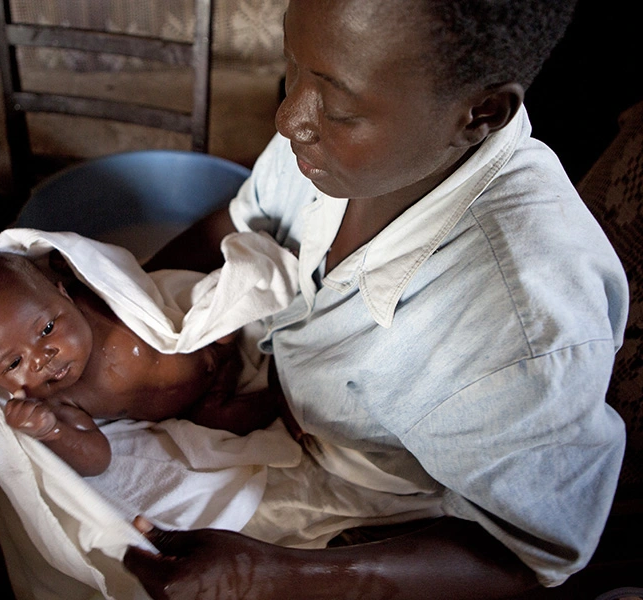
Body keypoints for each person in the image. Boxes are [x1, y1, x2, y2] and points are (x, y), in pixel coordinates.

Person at [122, 0, 630, 598]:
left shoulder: (519, 329)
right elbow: (236, 227)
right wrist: (109, 299)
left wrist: (272, 575)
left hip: (376, 520)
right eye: (291, 65)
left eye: (339, 109)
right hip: (265, 395)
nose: (288, 118)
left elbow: (520, 556)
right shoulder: (331, 148)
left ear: (481, 113)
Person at [0, 251, 281, 477]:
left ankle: (270, 348)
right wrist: (53, 432)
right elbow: (96, 460)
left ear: (64, 294)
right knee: (221, 420)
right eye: (14, 362)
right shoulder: (56, 401)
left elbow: (112, 270)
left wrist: (75, 262)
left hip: (208, 337)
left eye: (46, 329)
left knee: (235, 295)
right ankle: (286, 398)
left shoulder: (93, 299)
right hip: (198, 405)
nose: (42, 357)